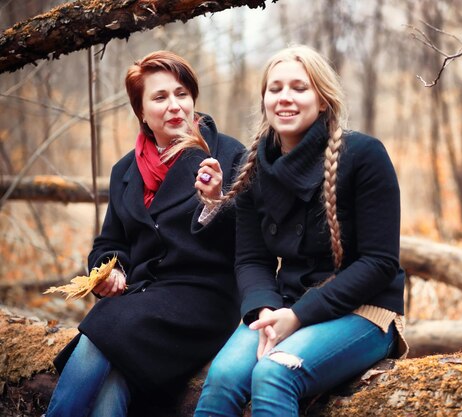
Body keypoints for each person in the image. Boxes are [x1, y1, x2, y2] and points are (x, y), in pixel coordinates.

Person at [193, 44, 408, 417]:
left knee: (275, 373)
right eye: (275, 89)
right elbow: (251, 258)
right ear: (264, 99)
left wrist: (298, 317)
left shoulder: (364, 156)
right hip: (283, 306)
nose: (285, 98)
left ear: (322, 100)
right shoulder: (251, 165)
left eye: (299, 88)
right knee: (224, 376)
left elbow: (379, 262)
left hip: (364, 312)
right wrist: (266, 311)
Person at [45, 50, 244, 417]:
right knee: (114, 381)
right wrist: (111, 270)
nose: (175, 106)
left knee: (103, 326)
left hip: (205, 300)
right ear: (141, 112)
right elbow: (108, 244)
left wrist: (216, 201)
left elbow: (250, 242)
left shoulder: (227, 153)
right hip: (142, 301)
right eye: (160, 97)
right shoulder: (125, 170)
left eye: (181, 94)